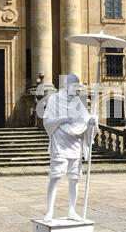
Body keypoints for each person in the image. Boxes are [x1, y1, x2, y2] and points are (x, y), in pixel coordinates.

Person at [42, 74, 98, 222]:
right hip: (60, 143)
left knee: (74, 178)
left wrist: (92, 122)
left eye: (77, 87)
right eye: (74, 86)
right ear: (66, 85)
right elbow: (47, 121)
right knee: (55, 177)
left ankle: (72, 211)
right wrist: (63, 119)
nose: (76, 89)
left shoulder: (78, 103)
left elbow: (86, 122)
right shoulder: (54, 99)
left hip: (75, 145)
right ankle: (49, 212)